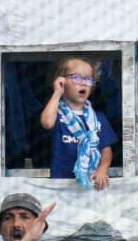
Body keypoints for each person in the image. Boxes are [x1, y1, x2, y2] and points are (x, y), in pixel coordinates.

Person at [39, 55, 113, 190]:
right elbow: (47, 123)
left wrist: (102, 169)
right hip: (61, 185)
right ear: (62, 81)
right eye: (77, 78)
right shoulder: (56, 113)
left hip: (91, 184)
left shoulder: (98, 118)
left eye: (89, 79)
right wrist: (57, 92)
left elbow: (106, 150)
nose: (84, 83)